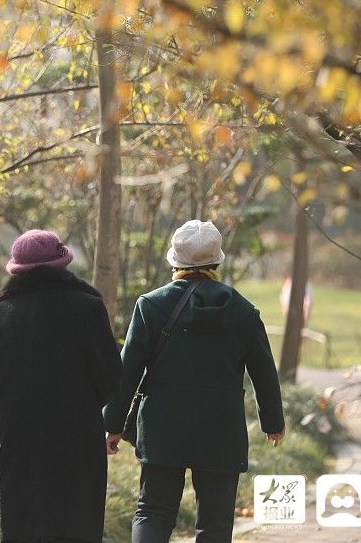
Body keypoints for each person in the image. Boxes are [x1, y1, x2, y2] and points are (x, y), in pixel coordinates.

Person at [102, 220, 285, 543]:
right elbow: (264, 371)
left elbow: (127, 370)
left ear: (175, 261)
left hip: (163, 426)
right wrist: (273, 422)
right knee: (214, 525)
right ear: (217, 261)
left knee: (154, 512)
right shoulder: (244, 311)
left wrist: (113, 424)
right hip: (221, 428)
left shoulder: (151, 305)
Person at [0, 229, 123, 543]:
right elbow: (111, 375)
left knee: (22, 523)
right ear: (62, 263)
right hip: (77, 434)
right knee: (77, 521)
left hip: (17, 438)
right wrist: (84, 403)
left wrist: (9, 405)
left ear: (17, 270)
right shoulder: (88, 307)